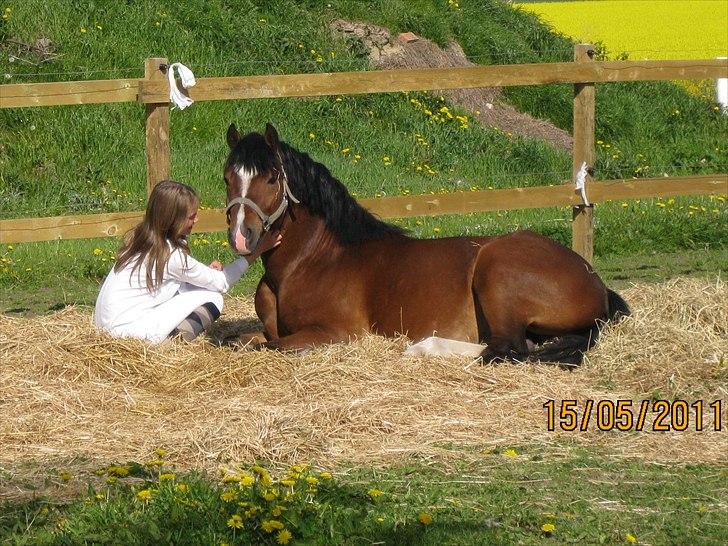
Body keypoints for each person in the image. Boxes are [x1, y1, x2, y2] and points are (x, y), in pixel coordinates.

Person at [94, 180, 280, 343]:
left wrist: (205, 274)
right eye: (192, 216)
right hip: (126, 332)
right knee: (214, 298)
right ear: (173, 220)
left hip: (105, 325)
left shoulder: (139, 238)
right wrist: (257, 251)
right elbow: (222, 283)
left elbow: (171, 282)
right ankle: (176, 343)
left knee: (205, 288)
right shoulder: (171, 255)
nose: (196, 219)